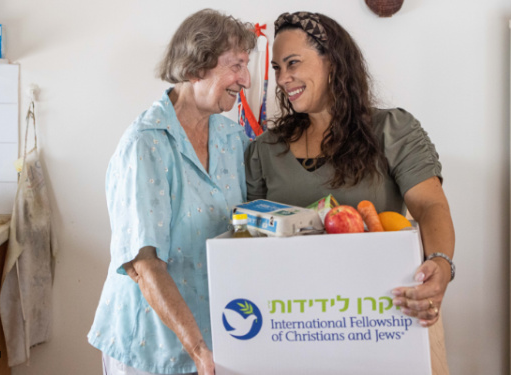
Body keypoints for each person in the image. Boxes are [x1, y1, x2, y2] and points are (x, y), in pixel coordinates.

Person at [245, 11, 455, 327]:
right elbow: (251, 236)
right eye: (277, 68)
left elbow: (430, 205)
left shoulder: (392, 130)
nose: (282, 78)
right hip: (291, 319)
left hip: (376, 314)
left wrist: (441, 263)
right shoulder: (265, 149)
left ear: (332, 62)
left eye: (293, 63)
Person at [88, 9, 255, 375]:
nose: (245, 79)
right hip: (151, 347)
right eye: (236, 65)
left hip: (215, 336)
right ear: (197, 66)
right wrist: (197, 348)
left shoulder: (232, 139)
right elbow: (144, 265)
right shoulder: (146, 144)